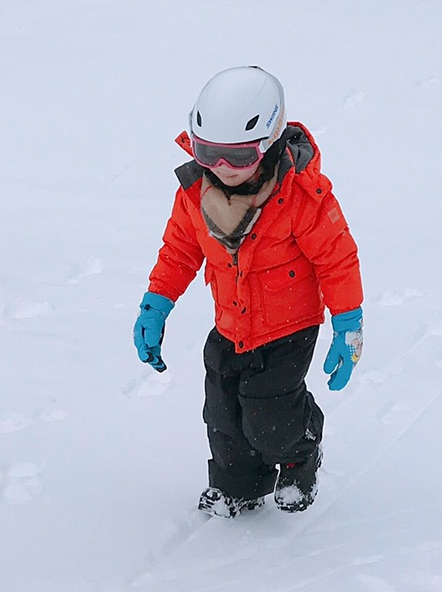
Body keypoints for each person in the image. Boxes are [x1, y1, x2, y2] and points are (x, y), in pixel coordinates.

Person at [133, 66, 364, 517]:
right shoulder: (195, 193)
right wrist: (156, 304)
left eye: (236, 157)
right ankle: (238, 485)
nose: (222, 168)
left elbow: (338, 259)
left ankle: (301, 451)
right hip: (231, 324)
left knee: (270, 420)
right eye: (208, 152)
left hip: (288, 330)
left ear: (269, 142)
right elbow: (179, 249)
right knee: (223, 419)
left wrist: (348, 324)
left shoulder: (302, 197)